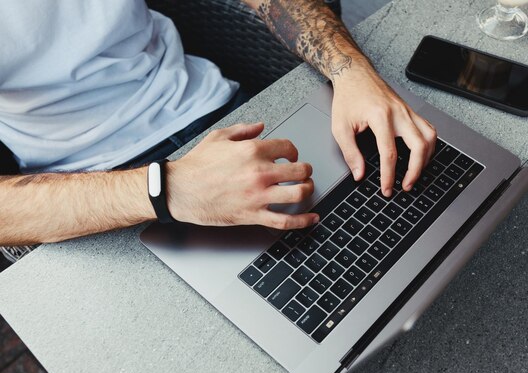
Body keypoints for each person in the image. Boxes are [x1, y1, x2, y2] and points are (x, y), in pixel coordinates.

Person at [0, 0, 436, 249]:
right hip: (88, 187)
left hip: (214, 114)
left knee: (394, 219)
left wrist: (349, 70)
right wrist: (168, 187)